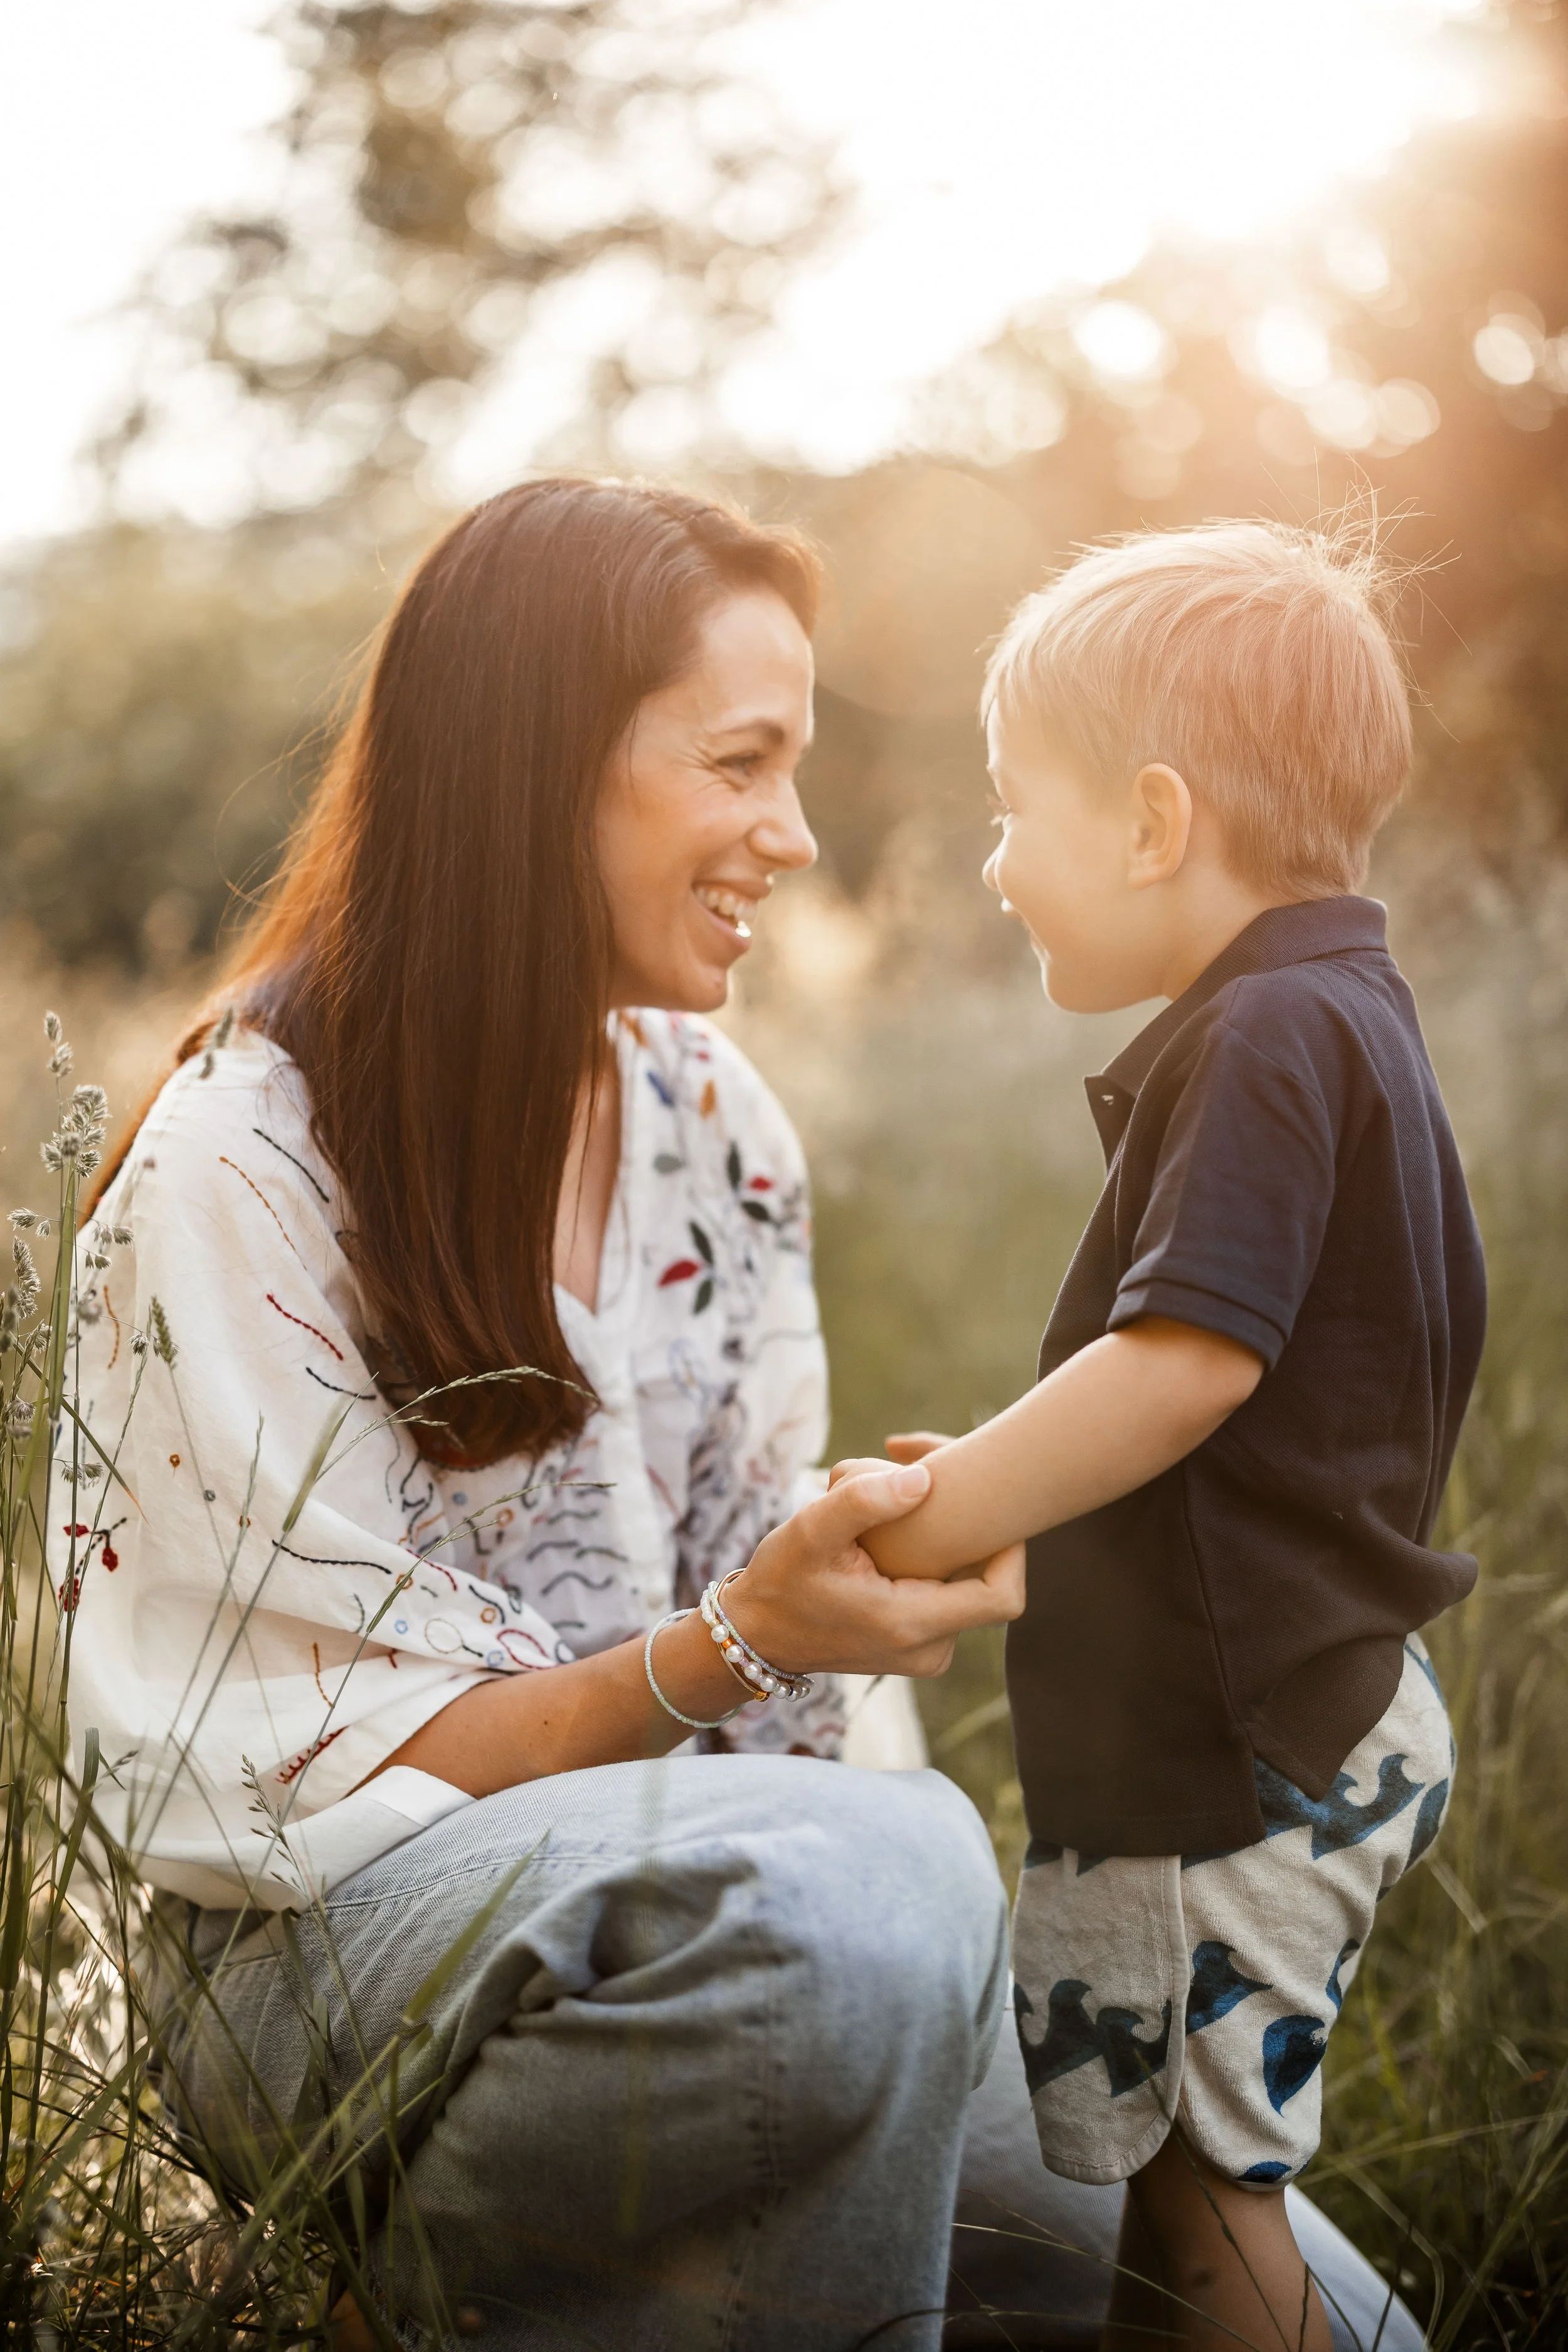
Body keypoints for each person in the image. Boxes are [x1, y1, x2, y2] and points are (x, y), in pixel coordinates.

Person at [58, 478, 1026, 2351]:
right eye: (740, 762)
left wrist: (843, 1577)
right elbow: (316, 1777)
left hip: (723, 1904)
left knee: (1233, 2254)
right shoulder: (238, 1170)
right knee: (883, 1913)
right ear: (534, 767)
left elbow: (787, 1679)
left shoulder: (711, 1118)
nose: (795, 835)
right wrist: (742, 1641)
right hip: (310, 1949)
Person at [842, 522, 1485, 2351]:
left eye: (1008, 807)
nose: (991, 862)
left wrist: (935, 1510)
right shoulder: (1340, 1008)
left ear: (1147, 820)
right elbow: (1241, 1437)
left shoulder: (1268, 1030)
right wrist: (1000, 1478)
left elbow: (1183, 1365)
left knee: (1204, 2205)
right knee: (1176, 2195)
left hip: (1231, 1768)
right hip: (1294, 1707)